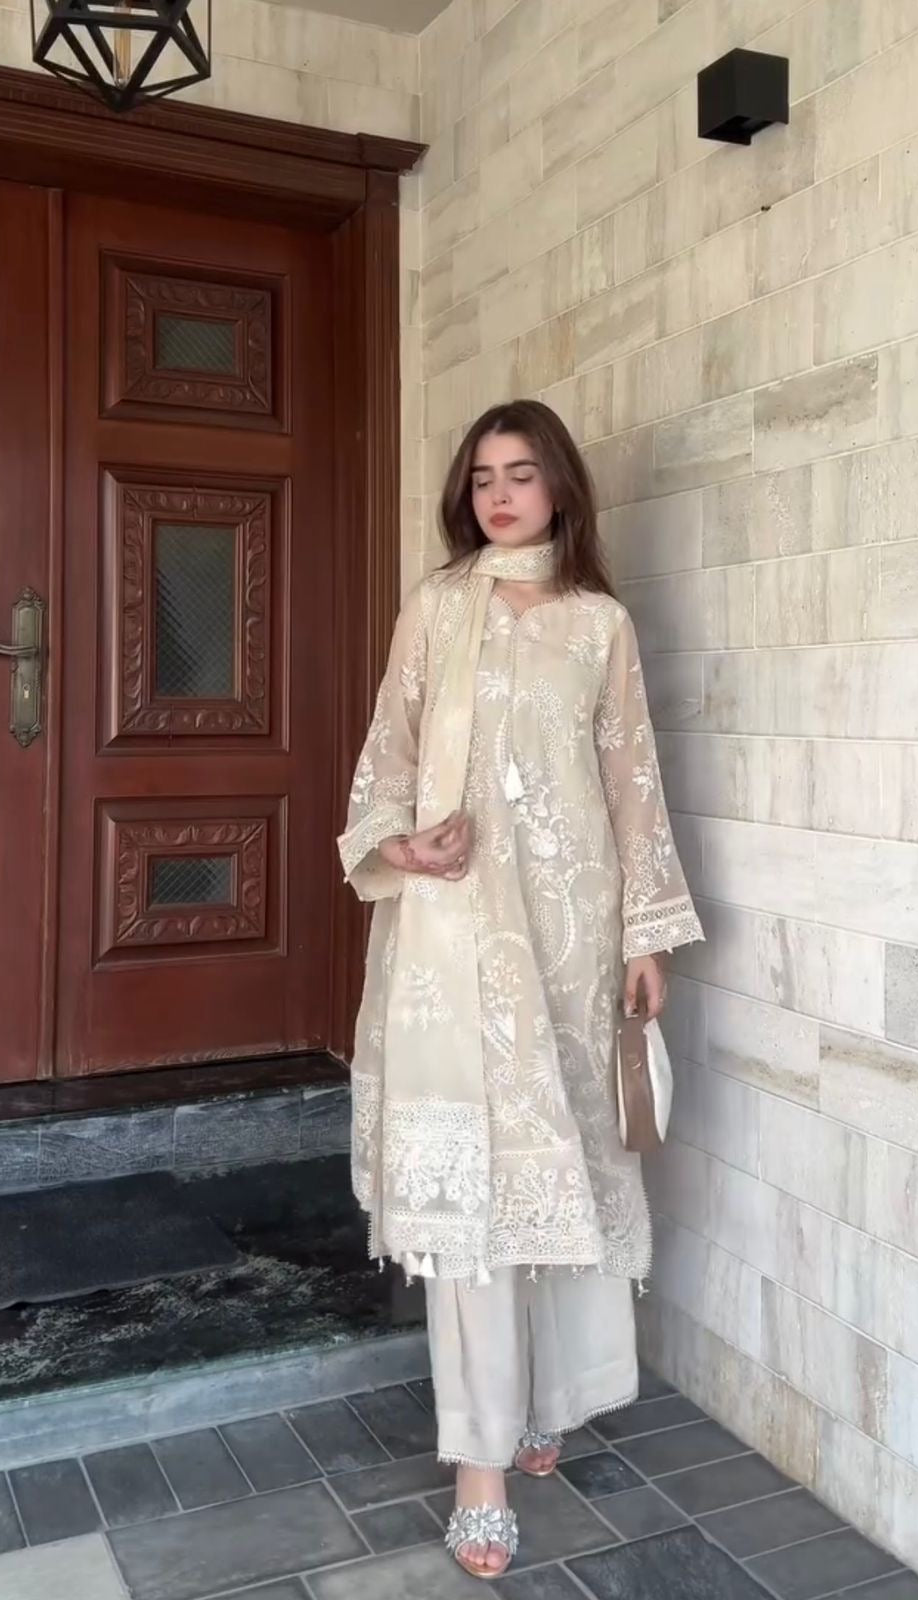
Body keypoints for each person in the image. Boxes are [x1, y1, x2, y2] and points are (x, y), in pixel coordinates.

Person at [338, 399, 703, 1580]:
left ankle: (548, 1399)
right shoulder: (436, 606)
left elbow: (632, 781)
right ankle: (478, 1466)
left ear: (559, 490)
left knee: (561, 1172)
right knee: (472, 1194)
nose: (499, 495)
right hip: (450, 940)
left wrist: (646, 936)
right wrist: (401, 847)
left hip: (568, 939)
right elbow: (388, 751)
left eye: (522, 473)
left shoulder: (599, 624)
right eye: (483, 476)